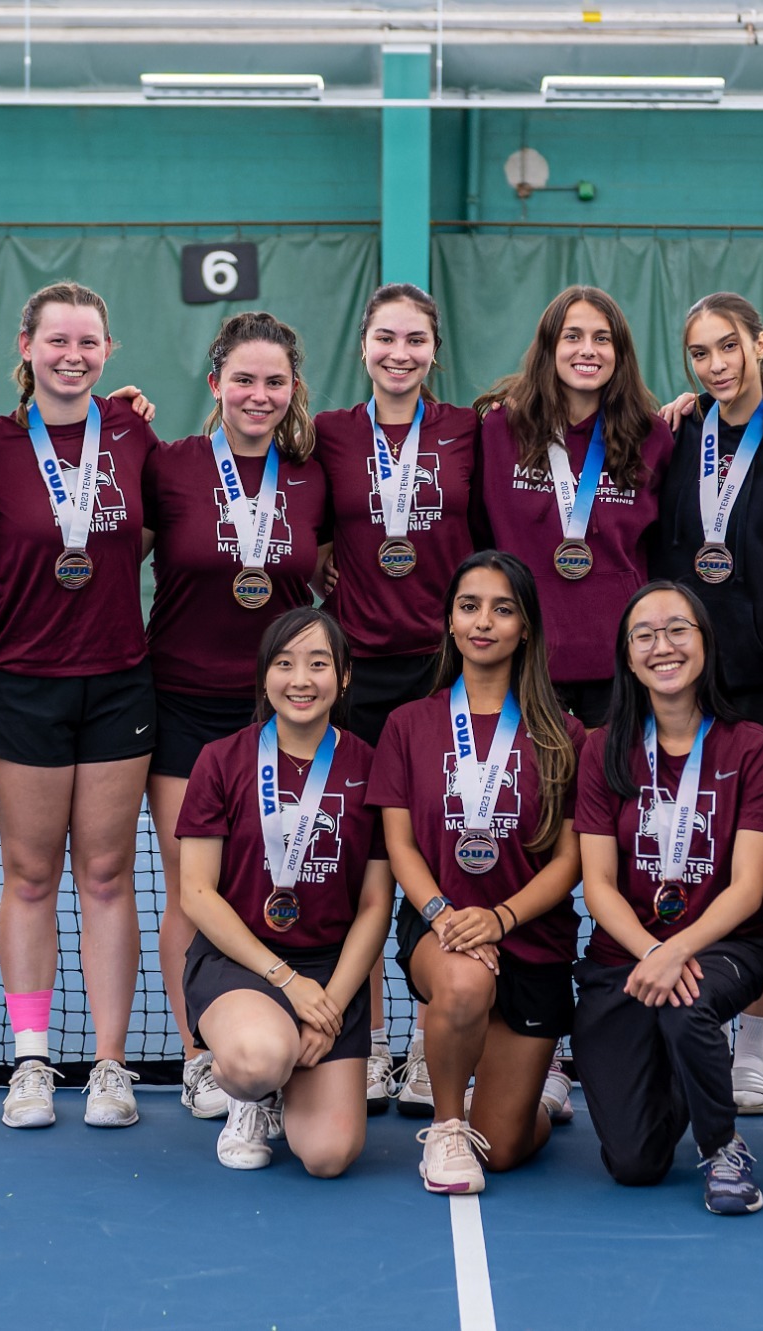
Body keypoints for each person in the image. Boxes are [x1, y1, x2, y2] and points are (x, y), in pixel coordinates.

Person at [0, 281, 159, 1131]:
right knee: (32, 875)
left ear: (109, 350)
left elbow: (153, 533)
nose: (72, 356)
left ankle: (110, 1064)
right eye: (57, 341)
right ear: (26, 346)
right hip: (21, 682)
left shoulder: (135, 433)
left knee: (109, 876)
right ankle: (32, 1058)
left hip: (120, 680)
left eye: (88, 342)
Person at [142, 311, 329, 1124]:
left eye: (275, 381)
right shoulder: (166, 466)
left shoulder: (313, 474)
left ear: (293, 392)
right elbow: (110, 549)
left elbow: (330, 569)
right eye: (244, 379)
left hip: (286, 711)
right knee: (195, 888)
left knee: (288, 868)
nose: (259, 395)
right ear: (215, 382)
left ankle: (298, 1031)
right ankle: (199, 1055)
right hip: (182, 702)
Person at [312, 284, 482, 1116]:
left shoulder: (468, 431)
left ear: (434, 349)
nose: (399, 352)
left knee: (436, 854)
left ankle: (425, 1044)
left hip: (443, 672)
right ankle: (368, 1040)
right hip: (356, 678)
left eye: (415, 338)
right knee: (358, 858)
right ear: (365, 347)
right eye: (386, 337)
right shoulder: (329, 434)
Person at [652, 292, 763, 1117]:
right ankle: (679, 1021)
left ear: (760, 344)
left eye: (728, 347)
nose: (716, 365)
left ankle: (751, 1051)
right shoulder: (677, 435)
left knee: (761, 874)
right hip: (681, 686)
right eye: (699, 354)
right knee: (680, 851)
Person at [368, 551, 585, 1194]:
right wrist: (441, 916)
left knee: (508, 1147)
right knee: (462, 986)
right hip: (442, 935)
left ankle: (534, 1096)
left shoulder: (564, 734)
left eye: (502, 608)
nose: (483, 621)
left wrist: (500, 917)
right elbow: (400, 844)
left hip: (533, 937)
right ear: (451, 623)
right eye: (469, 606)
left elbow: (571, 858)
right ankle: (444, 1127)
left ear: (526, 627)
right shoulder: (409, 724)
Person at [571, 581, 763, 1214]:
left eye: (678, 630)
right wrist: (650, 952)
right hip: (624, 956)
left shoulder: (754, 748)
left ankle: (723, 1145)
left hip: (724, 946)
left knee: (686, 1004)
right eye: (645, 635)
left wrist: (678, 949)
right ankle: (670, 1065)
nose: (663, 646)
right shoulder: (601, 749)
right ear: (628, 657)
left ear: (704, 642)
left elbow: (748, 886)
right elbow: (599, 884)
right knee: (633, 1164)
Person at [175, 607, 394, 1174]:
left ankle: (283, 1077)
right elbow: (195, 894)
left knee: (329, 1156)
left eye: (319, 664)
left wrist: (332, 1006)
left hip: (330, 972)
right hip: (240, 963)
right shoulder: (220, 760)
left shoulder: (372, 767)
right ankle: (249, 1095)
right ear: (264, 676)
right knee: (257, 1061)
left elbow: (375, 905)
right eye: (285, 664)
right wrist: (288, 983)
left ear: (343, 676)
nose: (301, 680)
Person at [474, 286, 674, 728]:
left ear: (620, 352)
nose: (588, 350)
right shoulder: (501, 429)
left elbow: (663, 552)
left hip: (622, 664)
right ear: (549, 347)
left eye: (602, 338)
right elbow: (479, 536)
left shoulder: (653, 437)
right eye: (573, 336)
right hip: (526, 661)